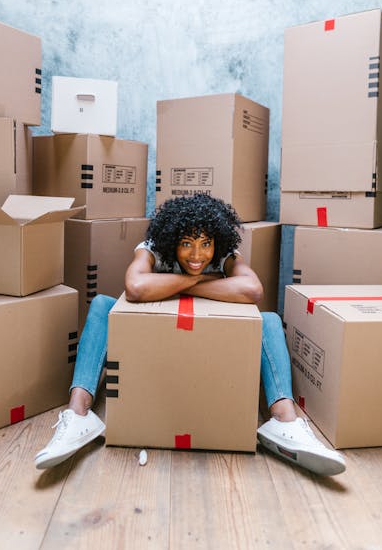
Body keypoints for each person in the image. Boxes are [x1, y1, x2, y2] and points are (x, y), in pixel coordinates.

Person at [35, 194, 346, 476]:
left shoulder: (225, 253)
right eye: (186, 243)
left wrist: (184, 282)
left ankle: (284, 421)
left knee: (267, 319)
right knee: (102, 305)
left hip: (208, 347)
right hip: (156, 344)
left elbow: (252, 289)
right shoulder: (152, 247)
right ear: (172, 241)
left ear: (216, 242)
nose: (197, 254)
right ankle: (78, 416)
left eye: (205, 244)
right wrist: (200, 280)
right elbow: (136, 288)